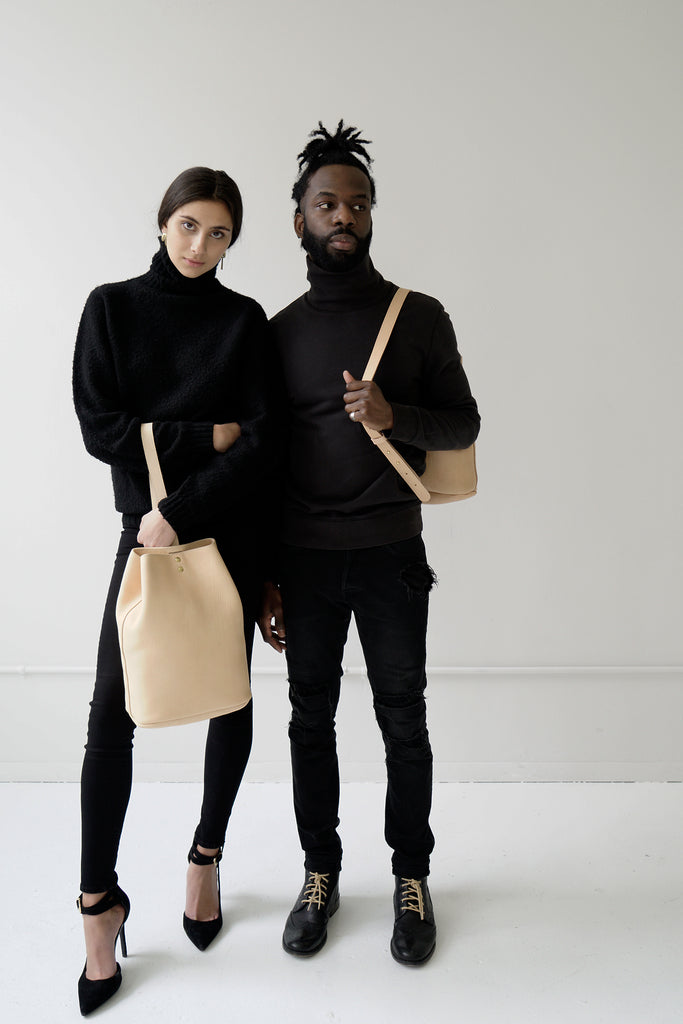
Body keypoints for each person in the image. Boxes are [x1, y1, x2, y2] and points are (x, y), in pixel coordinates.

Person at [259, 121, 480, 966]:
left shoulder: (417, 318)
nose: (341, 215)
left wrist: (396, 418)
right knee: (307, 721)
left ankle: (411, 876)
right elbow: (268, 463)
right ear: (299, 221)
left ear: (371, 217)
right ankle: (320, 872)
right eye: (325, 203)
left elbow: (462, 420)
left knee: (403, 723)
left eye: (355, 203)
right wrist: (268, 577)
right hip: (305, 562)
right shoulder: (276, 333)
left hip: (391, 554)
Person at [72, 167, 273, 1014]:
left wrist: (178, 502)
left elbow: (260, 443)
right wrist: (202, 435)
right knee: (109, 715)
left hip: (224, 533)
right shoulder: (112, 308)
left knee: (230, 698)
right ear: (162, 223)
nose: (201, 246)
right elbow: (99, 427)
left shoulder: (243, 321)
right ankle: (97, 903)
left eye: (219, 233)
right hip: (145, 536)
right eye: (189, 226)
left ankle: (205, 857)